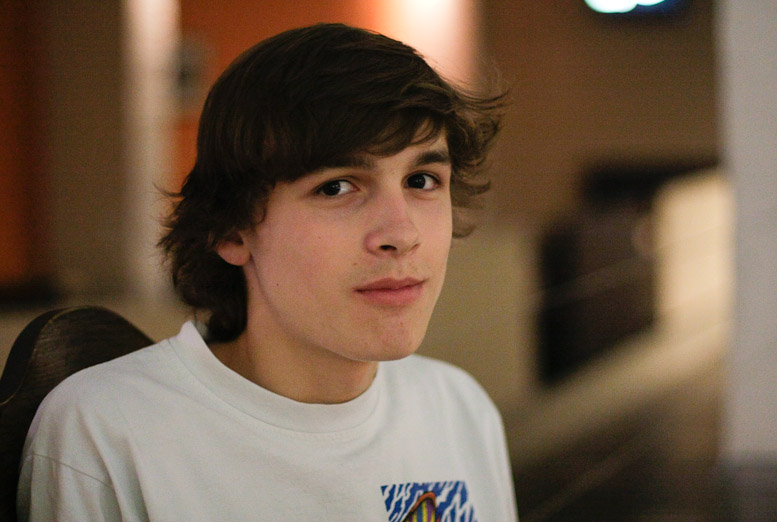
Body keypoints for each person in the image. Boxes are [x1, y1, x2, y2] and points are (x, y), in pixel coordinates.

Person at [17, 23, 516, 521]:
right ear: (232, 230)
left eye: (422, 180)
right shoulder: (107, 431)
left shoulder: (458, 409)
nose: (401, 233)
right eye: (336, 187)